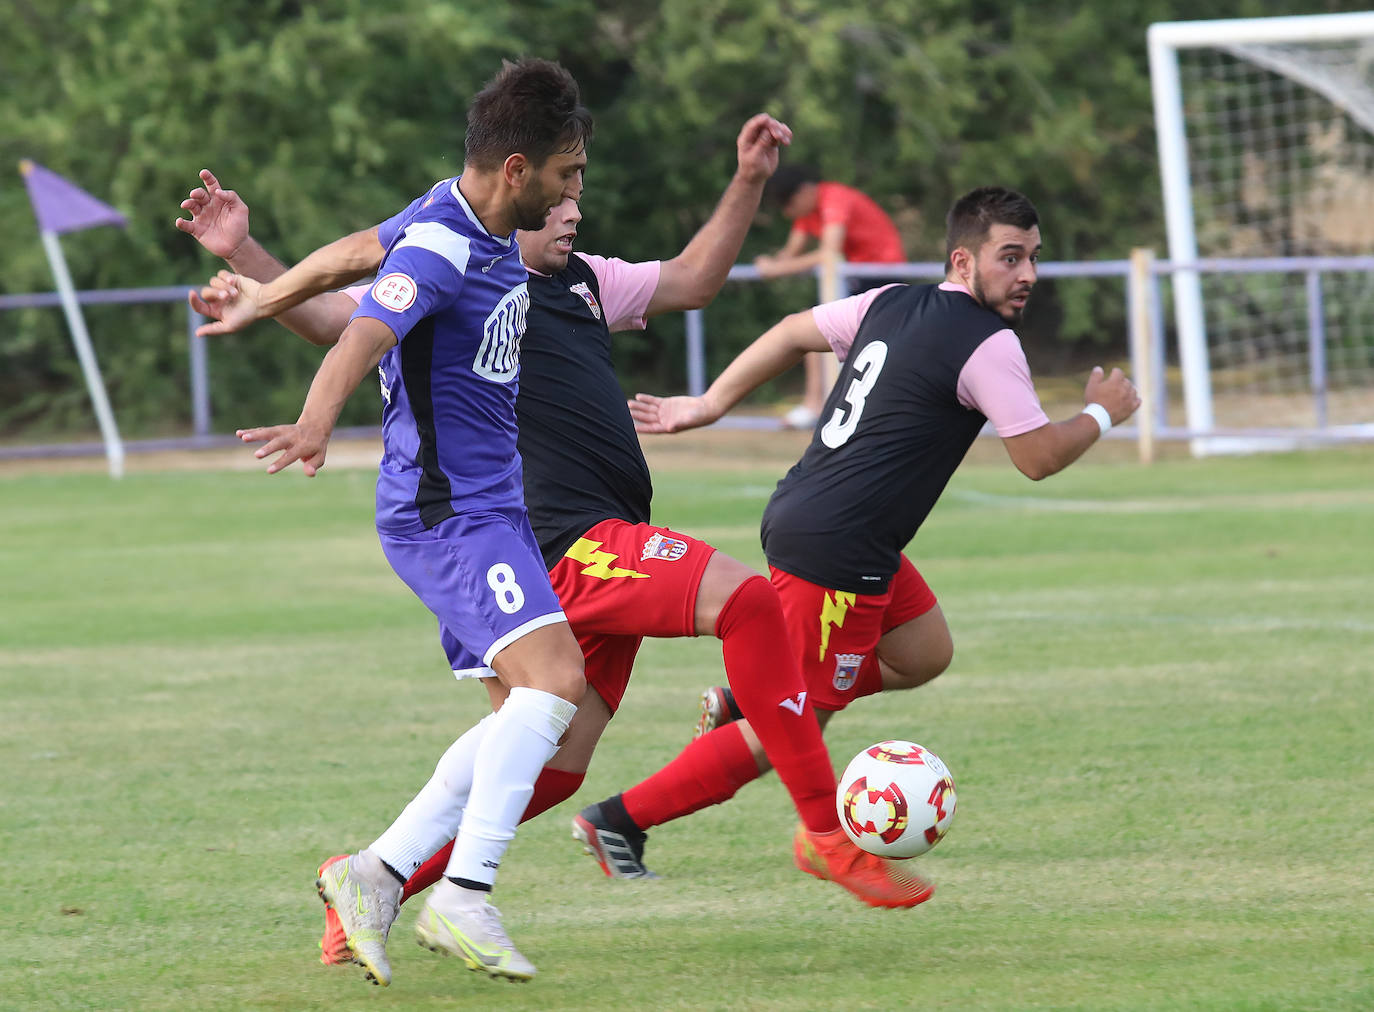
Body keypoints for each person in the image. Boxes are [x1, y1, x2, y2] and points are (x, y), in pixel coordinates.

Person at [182, 113, 932, 982]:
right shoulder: (456, 267)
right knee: (749, 601)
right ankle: (824, 834)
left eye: (579, 190)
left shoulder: (581, 283)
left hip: (598, 538)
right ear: (512, 190)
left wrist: (750, 181)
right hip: (560, 543)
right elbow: (347, 317)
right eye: (559, 191)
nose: (573, 208)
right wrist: (251, 264)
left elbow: (691, 280)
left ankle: (373, 881)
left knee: (554, 763)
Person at [587, 186, 1141, 877]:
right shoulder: (989, 343)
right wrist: (1103, 414)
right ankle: (620, 821)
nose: (1026, 273)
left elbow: (792, 331)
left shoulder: (891, 302)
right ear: (964, 260)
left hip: (829, 527)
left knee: (923, 650)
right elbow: (1037, 458)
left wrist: (709, 403)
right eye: (1010, 257)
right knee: (791, 728)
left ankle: (751, 695)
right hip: (836, 550)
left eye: (1033, 257)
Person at [190, 59, 592, 986]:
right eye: (568, 175)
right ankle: (464, 896)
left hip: (485, 509)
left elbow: (344, 260)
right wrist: (317, 422)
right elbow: (364, 332)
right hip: (450, 513)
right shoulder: (447, 244)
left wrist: (258, 282)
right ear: (520, 168)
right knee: (557, 682)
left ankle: (373, 874)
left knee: (518, 718)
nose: (578, 194)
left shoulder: (454, 215)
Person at [753, 164, 905, 428]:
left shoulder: (834, 198)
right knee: (814, 328)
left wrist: (775, 269)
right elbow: (789, 255)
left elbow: (829, 254)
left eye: (787, 205)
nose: (786, 213)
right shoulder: (807, 212)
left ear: (803, 193)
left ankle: (817, 406)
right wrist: (770, 263)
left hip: (880, 275)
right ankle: (818, 405)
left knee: (818, 328)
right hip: (854, 276)